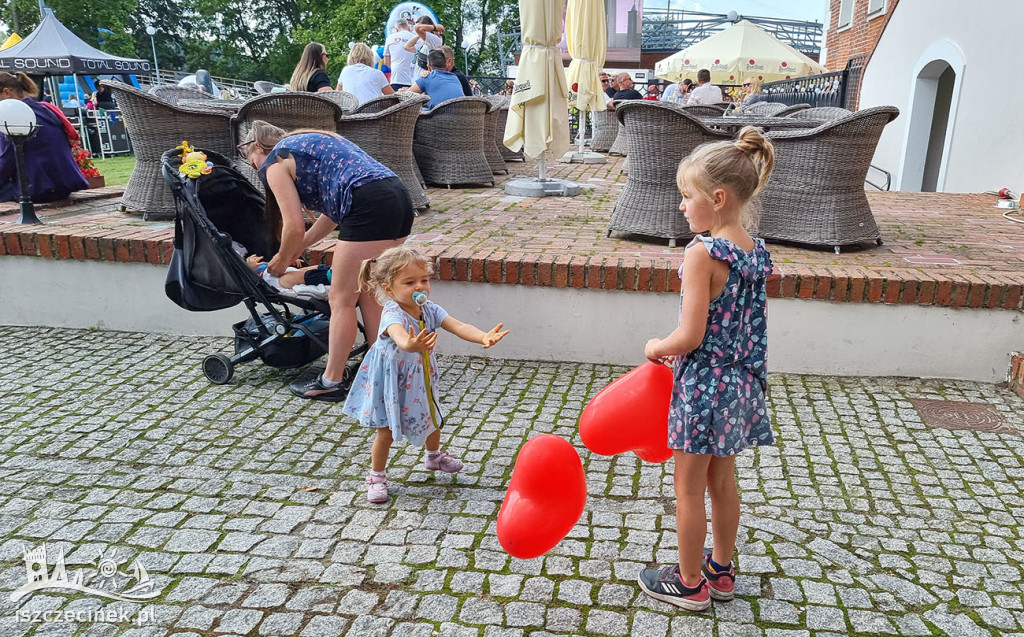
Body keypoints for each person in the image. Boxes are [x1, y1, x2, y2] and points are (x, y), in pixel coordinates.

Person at [636, 126, 775, 612]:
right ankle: (721, 570)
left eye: (686, 196)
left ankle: (690, 582)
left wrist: (656, 346)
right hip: (741, 385)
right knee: (724, 483)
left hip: (703, 387)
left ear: (717, 198)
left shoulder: (702, 255)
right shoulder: (756, 252)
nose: (681, 206)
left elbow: (690, 337)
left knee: (688, 489)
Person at [238, 120, 415, 401]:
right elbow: (331, 214)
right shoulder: (307, 144)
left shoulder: (274, 162)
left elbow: (294, 227)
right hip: (398, 198)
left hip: (368, 204)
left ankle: (330, 381)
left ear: (257, 147)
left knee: (341, 298)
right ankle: (380, 369)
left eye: (247, 156)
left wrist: (280, 263)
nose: (252, 165)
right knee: (368, 292)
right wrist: (301, 247)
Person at [343, 245, 509, 503]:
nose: (420, 287)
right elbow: (399, 336)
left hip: (420, 377)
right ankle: (377, 476)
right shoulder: (392, 312)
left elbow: (457, 325)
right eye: (409, 282)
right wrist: (411, 345)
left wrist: (483, 337)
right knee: (385, 430)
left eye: (424, 280)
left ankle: (433, 457)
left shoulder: (429, 308)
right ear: (389, 289)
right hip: (391, 380)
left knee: (432, 415)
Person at [0, 72, 88, 203]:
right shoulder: (45, 109)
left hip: (37, 188)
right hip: (65, 184)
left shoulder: (11, 116)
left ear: (7, 92)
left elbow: (6, 161)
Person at [246, 254, 331, 290]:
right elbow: (247, 281)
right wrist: (249, 268)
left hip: (279, 270)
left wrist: (289, 261)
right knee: (298, 276)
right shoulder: (246, 270)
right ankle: (329, 276)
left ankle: (329, 269)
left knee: (304, 270)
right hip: (274, 281)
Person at [384, 19, 417, 90]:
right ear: (408, 27)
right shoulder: (416, 38)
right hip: (414, 80)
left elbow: (386, 62)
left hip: (396, 78)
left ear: (396, 29)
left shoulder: (390, 38)